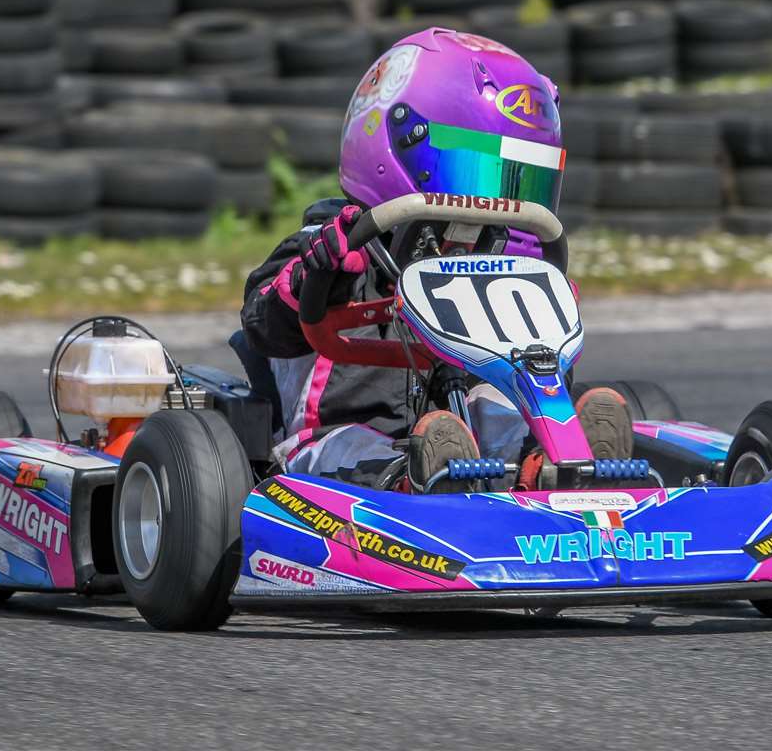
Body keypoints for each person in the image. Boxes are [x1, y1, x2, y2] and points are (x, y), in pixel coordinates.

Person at [239, 27, 633, 490]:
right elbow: (261, 323)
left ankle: (549, 470)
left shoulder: (502, 254)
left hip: (464, 443)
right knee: (356, 446)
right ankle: (412, 481)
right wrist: (318, 275)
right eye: (476, 170)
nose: (496, 197)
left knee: (497, 406)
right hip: (335, 443)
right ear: (393, 151)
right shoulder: (327, 244)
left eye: (518, 182)